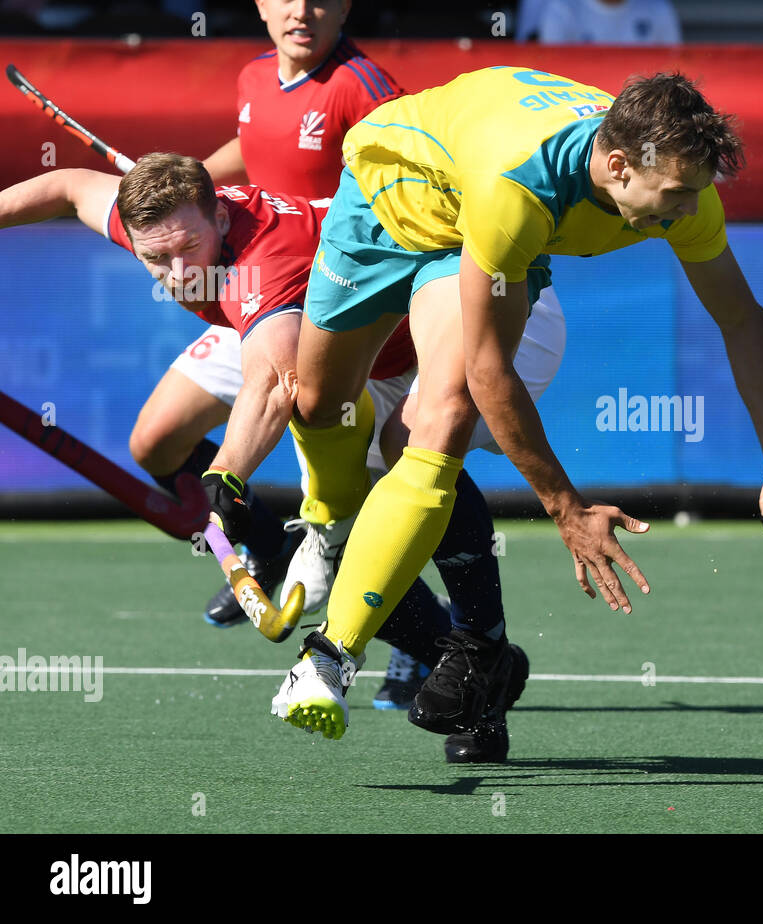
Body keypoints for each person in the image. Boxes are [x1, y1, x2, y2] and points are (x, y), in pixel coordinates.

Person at [271, 67, 763, 741]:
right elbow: (493, 370)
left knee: (435, 421)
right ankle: (328, 529)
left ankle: (329, 659)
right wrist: (567, 508)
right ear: (618, 165)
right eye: (673, 196)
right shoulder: (519, 186)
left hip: (473, 243)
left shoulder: (683, 193)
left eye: (693, 194)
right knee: (320, 404)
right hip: (390, 198)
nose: (685, 212)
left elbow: (742, 320)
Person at [0, 154, 563, 761]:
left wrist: (228, 475)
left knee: (412, 449)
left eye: (187, 247)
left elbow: (274, 380)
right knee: (343, 522)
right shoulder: (167, 230)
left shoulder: (259, 264)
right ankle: (476, 667)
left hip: (488, 311)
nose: (177, 272)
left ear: (220, 214)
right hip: (357, 339)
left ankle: (481, 656)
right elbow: (65, 185)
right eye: (154, 259)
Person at [122, 0, 461, 714]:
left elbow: (404, 179)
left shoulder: (361, 86)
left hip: (333, 307)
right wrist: (184, 193)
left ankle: (424, 642)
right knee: (155, 440)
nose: (301, 11)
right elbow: (250, 155)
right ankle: (267, 546)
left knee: (368, 498)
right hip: (252, 288)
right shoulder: (253, 79)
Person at [532, 0, 681, 44]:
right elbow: (553, 70)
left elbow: (672, 62)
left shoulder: (658, 8)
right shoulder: (562, 9)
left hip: (642, 109)